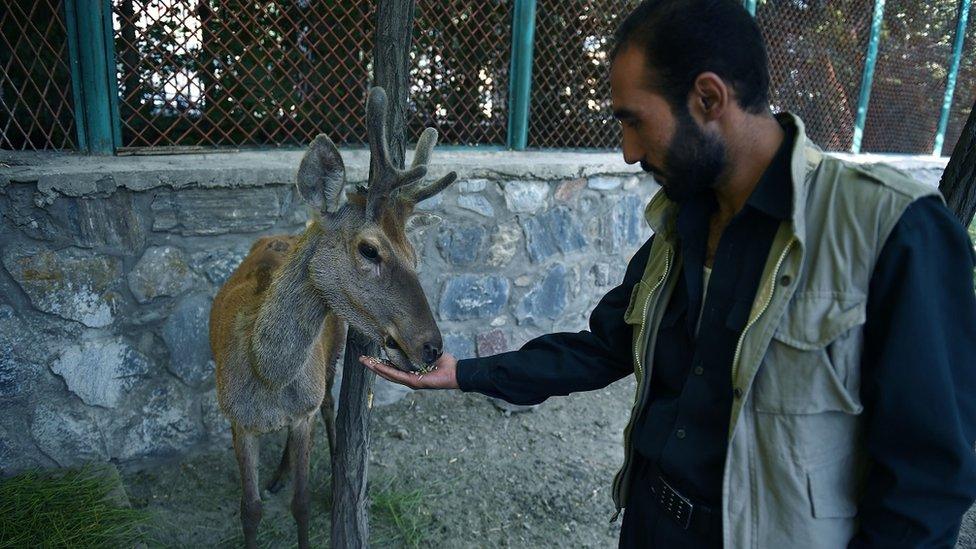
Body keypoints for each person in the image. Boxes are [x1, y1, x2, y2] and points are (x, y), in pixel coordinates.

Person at [361, 0, 976, 546]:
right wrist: (463, 373)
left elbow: (926, 483)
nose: (627, 151)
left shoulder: (891, 231)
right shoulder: (682, 220)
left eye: (634, 120)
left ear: (708, 99)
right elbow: (606, 347)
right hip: (650, 521)